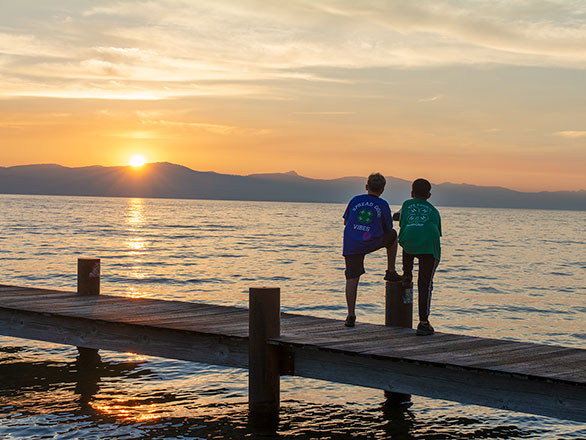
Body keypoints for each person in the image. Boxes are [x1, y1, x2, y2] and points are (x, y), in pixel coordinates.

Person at [342, 173, 400, 327]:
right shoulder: (382, 204)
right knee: (393, 237)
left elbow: (346, 221)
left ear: (367, 187)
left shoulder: (355, 200)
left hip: (351, 243)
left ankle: (350, 315)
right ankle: (390, 270)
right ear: (382, 190)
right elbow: (389, 228)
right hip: (370, 241)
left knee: (352, 278)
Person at [398, 178, 442, 336]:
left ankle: (407, 274)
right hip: (429, 246)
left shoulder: (406, 205)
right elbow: (437, 231)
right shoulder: (434, 210)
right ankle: (423, 322)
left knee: (408, 242)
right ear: (429, 195)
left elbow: (402, 222)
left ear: (411, 193)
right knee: (425, 284)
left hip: (409, 242)